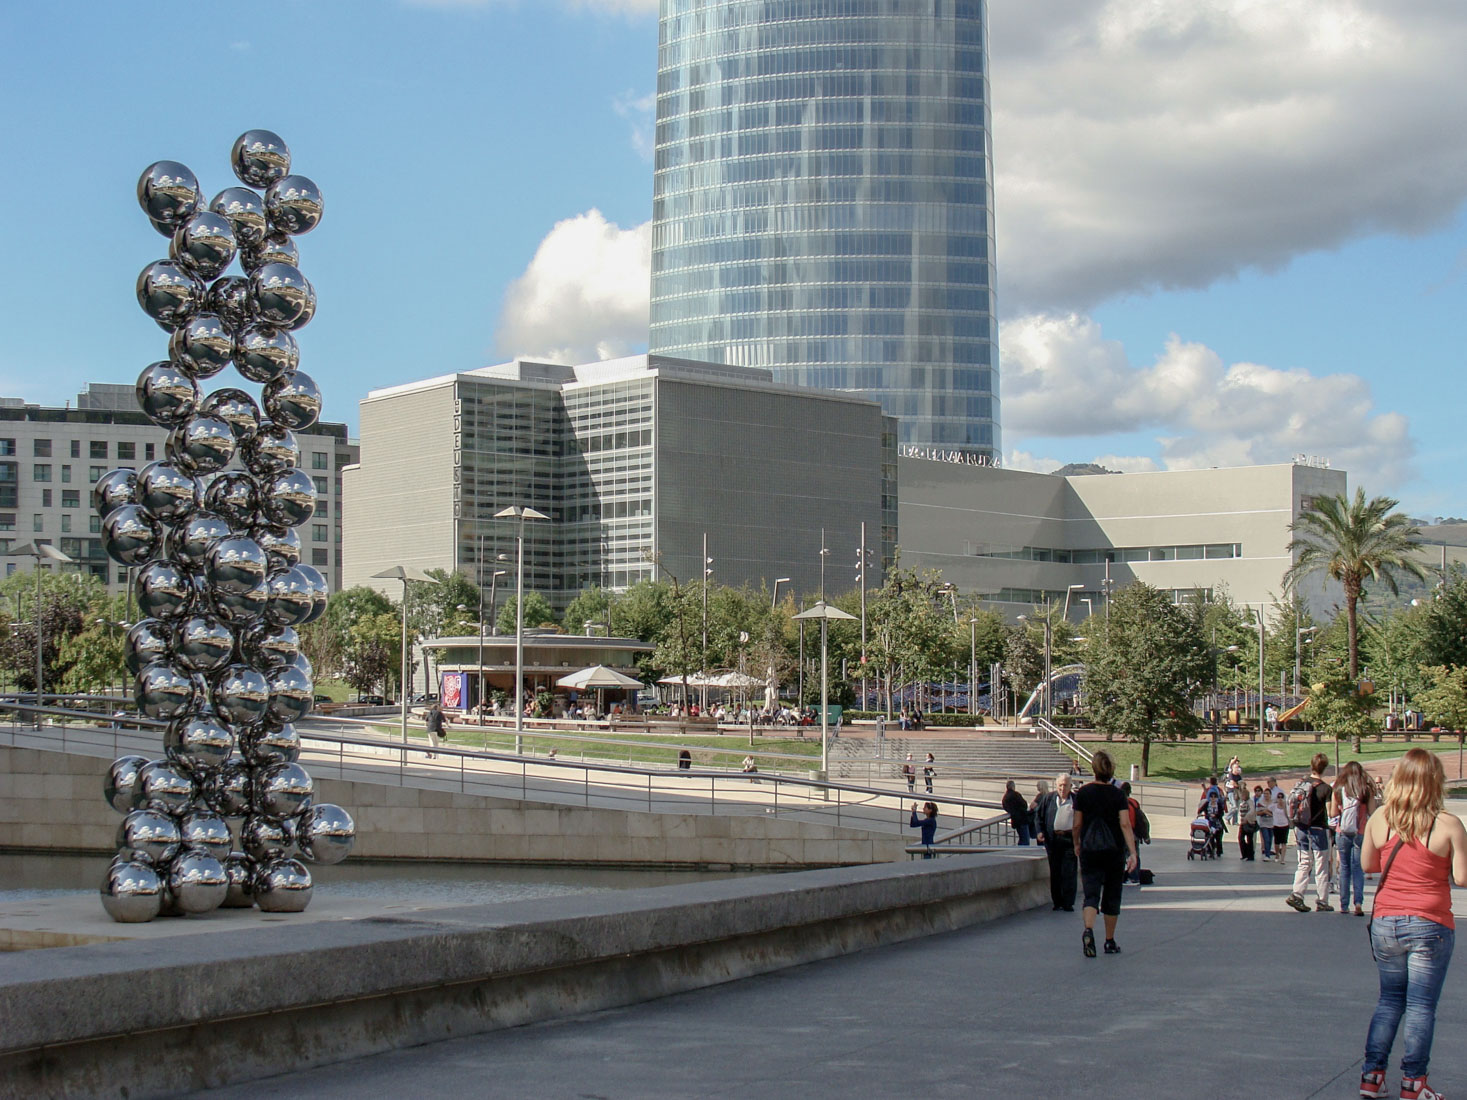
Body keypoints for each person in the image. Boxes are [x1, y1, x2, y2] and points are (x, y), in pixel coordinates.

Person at [1358, 749, 1467, 1100]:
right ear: (1436, 781)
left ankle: (1372, 1077)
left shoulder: (1379, 818)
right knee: (1421, 1006)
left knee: (1389, 1001)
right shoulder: (1447, 824)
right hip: (1430, 922)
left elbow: (1368, 865)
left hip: (1387, 921)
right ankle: (1413, 1083)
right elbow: (1462, 878)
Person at [1072, 750, 1139, 957]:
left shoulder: (1083, 793)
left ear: (1093, 768)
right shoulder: (1118, 794)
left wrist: (1077, 843)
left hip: (1090, 849)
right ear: (1111, 770)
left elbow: (1076, 824)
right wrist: (1133, 853)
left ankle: (1088, 929)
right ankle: (1109, 940)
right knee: (1112, 895)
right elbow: (1125, 824)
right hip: (1113, 850)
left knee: (1091, 894)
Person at [1285, 753, 1334, 913]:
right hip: (1319, 830)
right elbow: (1330, 813)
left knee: (1304, 862)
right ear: (1324, 768)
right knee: (1321, 865)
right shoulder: (1326, 788)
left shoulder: (1301, 785)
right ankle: (1322, 900)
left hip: (1301, 828)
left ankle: (1297, 894)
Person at [1333, 759, 1376, 918]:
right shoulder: (1366, 790)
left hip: (1343, 832)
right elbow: (1372, 812)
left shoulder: (1338, 789)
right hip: (1361, 831)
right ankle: (1358, 902)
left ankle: (1344, 904)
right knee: (1358, 868)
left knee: (1344, 867)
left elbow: (1332, 814)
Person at [1034, 775, 1076, 911]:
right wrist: (1040, 832)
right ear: (1056, 786)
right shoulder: (1049, 799)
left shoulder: (1075, 800)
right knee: (1055, 870)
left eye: (1065, 785)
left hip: (1070, 840)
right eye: (1060, 785)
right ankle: (1057, 901)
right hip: (1053, 841)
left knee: (1069, 871)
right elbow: (1038, 816)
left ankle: (1068, 902)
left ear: (1070, 786)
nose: (1063, 788)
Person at [1267, 777, 1290, 863]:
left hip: (1284, 824)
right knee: (1277, 842)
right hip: (1276, 824)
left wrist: (1283, 806)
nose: (1280, 798)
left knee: (1284, 842)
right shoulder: (1274, 804)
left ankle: (1283, 858)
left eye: (1281, 797)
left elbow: (1288, 813)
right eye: (1279, 797)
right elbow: (1268, 808)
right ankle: (1277, 853)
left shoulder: (1279, 792)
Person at [1002, 779, 1031, 845]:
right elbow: (1024, 804)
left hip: (1015, 820)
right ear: (1013, 787)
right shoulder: (1016, 794)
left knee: (1022, 838)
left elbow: (1005, 806)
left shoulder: (1005, 797)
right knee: (1025, 839)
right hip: (1022, 819)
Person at [1254, 784, 1275, 860]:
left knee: (1270, 838)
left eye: (1267, 794)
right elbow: (1257, 812)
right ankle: (1267, 855)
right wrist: (1264, 812)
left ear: (1270, 795)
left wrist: (1267, 812)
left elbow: (1275, 813)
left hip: (1272, 823)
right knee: (1266, 838)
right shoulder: (1260, 802)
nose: (1266, 795)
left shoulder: (1273, 803)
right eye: (1265, 794)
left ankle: (1269, 851)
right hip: (1263, 823)